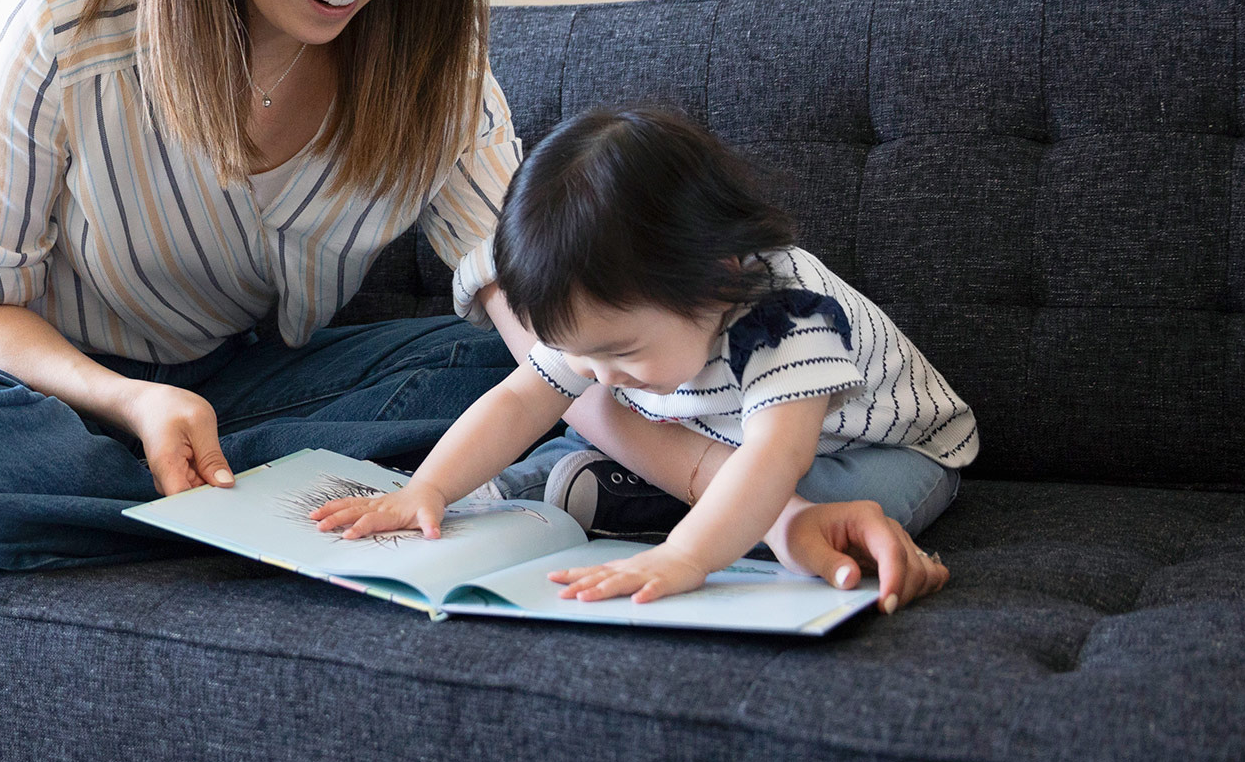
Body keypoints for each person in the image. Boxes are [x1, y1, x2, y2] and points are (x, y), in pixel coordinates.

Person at [0, 0, 952, 608]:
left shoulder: (429, 61)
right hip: (26, 387)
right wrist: (131, 402)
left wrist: (777, 512)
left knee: (551, 357)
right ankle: (283, 507)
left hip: (248, 389)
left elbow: (534, 326)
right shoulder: (64, 19)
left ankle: (294, 496)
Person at [312, 106, 977, 608]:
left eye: (620, 354)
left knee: (810, 510)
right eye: (584, 357)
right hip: (720, 435)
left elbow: (777, 458)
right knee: (566, 424)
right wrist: (426, 489)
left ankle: (646, 507)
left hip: (883, 450)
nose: (598, 377)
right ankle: (550, 489)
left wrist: (685, 558)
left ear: (715, 280)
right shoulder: (609, 310)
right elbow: (520, 399)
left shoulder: (788, 316)